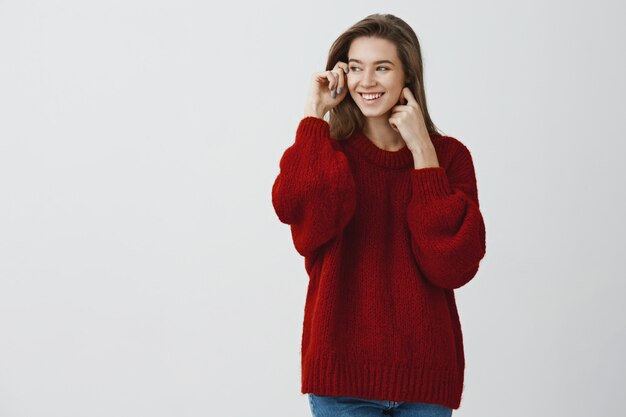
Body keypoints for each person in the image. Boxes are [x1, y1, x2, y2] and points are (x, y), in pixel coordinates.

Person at [271, 13, 486, 417]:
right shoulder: (328, 153)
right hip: (341, 381)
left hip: (426, 380)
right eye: (355, 68)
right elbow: (303, 224)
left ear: (408, 75)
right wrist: (312, 114)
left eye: (382, 67)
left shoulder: (451, 157)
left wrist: (423, 152)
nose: (366, 81)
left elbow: (453, 266)